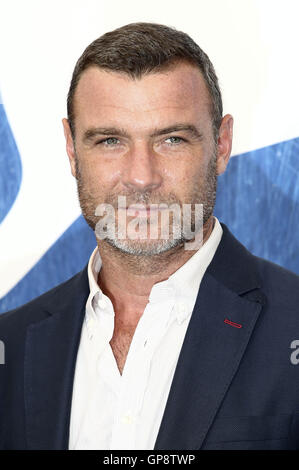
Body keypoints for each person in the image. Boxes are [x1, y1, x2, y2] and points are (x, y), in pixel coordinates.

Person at [0, 22, 299, 451]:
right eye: (109, 141)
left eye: (172, 139)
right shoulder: (11, 344)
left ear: (222, 143)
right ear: (71, 150)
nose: (141, 177)